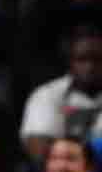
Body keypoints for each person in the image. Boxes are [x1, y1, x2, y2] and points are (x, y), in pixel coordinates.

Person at [21, 25, 102, 161]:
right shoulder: (46, 95)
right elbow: (39, 150)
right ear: (70, 61)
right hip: (62, 170)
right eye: (82, 59)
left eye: (98, 59)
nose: (90, 67)